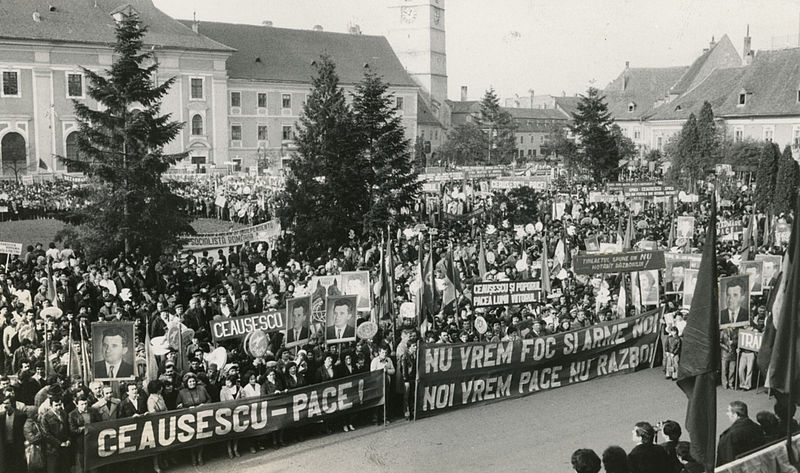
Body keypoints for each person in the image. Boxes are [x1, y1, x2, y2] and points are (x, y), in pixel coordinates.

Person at [717, 400, 765, 466]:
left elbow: (726, 461)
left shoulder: (729, 436)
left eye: (729, 411)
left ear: (736, 415)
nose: (727, 414)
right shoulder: (757, 428)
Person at [176, 373, 210, 465]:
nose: (192, 383)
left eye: (193, 381)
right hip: (189, 419)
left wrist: (204, 405)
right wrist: (186, 409)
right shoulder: (181, 392)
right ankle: (193, 457)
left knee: (201, 438)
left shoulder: (202, 389)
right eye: (190, 382)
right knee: (192, 439)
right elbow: (178, 406)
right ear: (187, 383)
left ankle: (200, 456)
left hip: (201, 416)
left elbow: (209, 400)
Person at [39, 392, 70, 473]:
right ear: (50, 406)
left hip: (65, 448)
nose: (59, 407)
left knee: (65, 469)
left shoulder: (64, 413)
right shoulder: (45, 417)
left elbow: (67, 429)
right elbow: (46, 434)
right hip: (52, 450)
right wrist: (59, 443)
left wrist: (68, 440)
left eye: (60, 404)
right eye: (56, 405)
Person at [67, 392, 98, 473]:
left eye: (85, 404)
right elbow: (72, 430)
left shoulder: (93, 411)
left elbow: (99, 424)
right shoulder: (72, 415)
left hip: (92, 442)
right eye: (82, 404)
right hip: (80, 444)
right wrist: (84, 428)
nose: (84, 406)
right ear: (76, 405)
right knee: (81, 466)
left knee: (93, 466)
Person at [0, 388, 27, 473]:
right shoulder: (1, 416)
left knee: (18, 466)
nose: (5, 406)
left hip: (17, 445)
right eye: (4, 403)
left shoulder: (21, 416)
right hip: (5, 446)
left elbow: (24, 430)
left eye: (7, 403)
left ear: (12, 404)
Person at [146, 380, 168, 473]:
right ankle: (156, 465)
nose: (162, 389)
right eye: (161, 387)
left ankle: (162, 461)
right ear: (158, 389)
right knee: (156, 447)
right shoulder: (151, 400)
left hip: (164, 422)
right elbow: (153, 413)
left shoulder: (160, 396)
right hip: (156, 425)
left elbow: (166, 408)